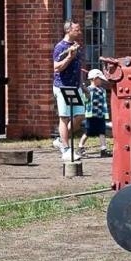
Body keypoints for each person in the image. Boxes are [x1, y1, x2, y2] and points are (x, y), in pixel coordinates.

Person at [51, 20, 85, 160]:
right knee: (64, 118)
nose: (79, 32)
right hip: (63, 86)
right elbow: (57, 67)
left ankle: (60, 140)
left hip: (75, 86)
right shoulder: (60, 47)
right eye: (76, 30)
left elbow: (78, 67)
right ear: (68, 31)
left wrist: (82, 85)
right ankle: (66, 149)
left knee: (80, 116)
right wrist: (69, 57)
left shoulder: (76, 45)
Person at [79, 67, 111, 157]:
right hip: (91, 115)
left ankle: (103, 149)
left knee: (102, 131)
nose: (101, 81)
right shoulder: (88, 90)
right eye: (99, 79)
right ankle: (80, 146)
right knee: (89, 131)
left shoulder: (102, 90)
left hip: (100, 115)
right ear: (94, 79)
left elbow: (103, 102)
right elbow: (85, 100)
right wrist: (84, 89)